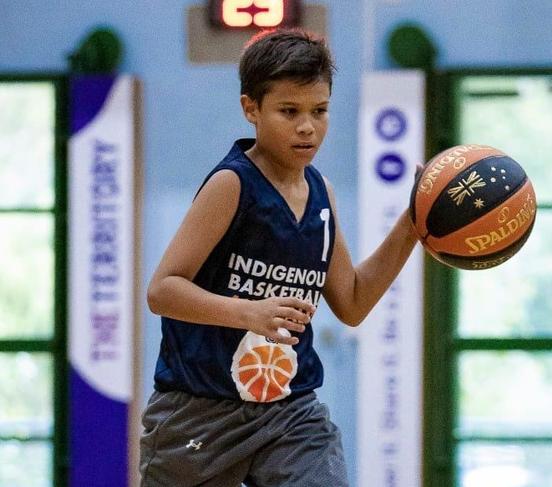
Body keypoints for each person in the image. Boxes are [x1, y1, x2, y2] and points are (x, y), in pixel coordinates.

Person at [139, 29, 418, 487]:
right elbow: (162, 290)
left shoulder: (322, 193)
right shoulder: (232, 185)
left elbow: (351, 302)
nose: (307, 126)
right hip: (198, 414)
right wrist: (248, 312)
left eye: (319, 111)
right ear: (252, 109)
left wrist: (412, 223)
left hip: (290, 413)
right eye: (289, 111)